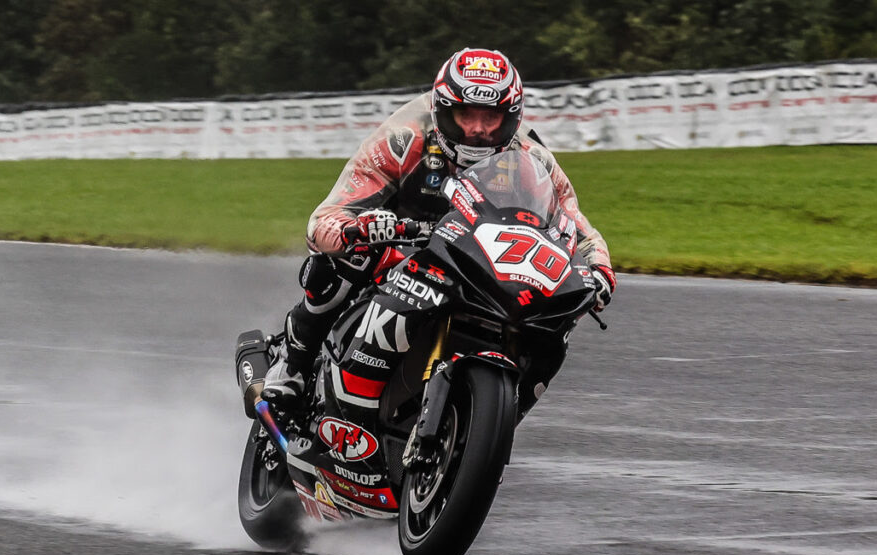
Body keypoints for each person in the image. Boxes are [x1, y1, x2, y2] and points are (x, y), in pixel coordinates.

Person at [262, 47, 615, 402]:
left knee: (556, 317)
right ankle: (294, 360)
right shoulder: (404, 140)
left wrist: (599, 269)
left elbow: (576, 226)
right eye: (465, 114)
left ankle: (496, 408)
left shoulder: (532, 161)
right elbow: (325, 218)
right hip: (400, 252)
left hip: (481, 266)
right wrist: (356, 229)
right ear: (443, 111)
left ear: (511, 118)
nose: (477, 129)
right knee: (342, 258)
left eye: (490, 118)